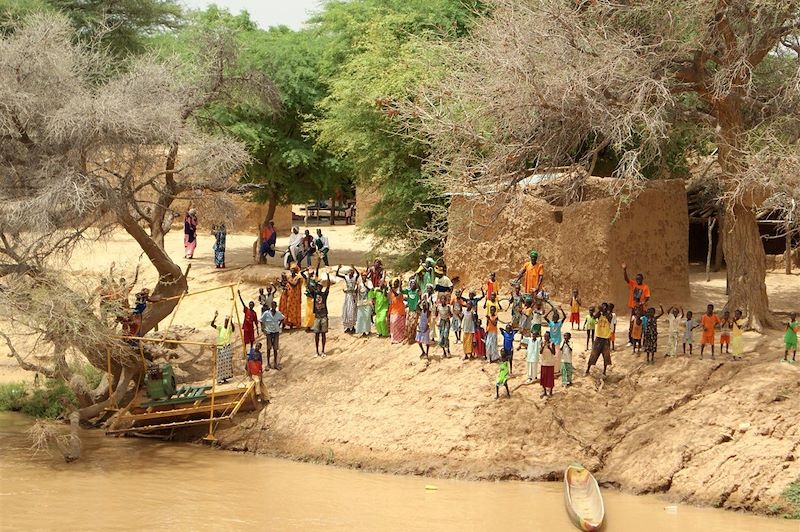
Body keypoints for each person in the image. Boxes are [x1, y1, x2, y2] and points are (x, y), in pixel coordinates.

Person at [622, 263, 650, 344]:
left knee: (640, 324)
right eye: (637, 279)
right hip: (634, 308)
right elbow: (626, 279)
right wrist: (624, 270)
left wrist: (642, 302)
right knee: (632, 324)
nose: (638, 280)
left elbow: (647, 297)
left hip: (641, 309)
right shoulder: (633, 284)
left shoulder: (645, 287)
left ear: (642, 279)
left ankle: (639, 341)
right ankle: (631, 340)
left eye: (639, 279)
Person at [586, 305, 613, 376]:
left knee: (606, 356)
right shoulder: (599, 315)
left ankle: (604, 371)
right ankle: (587, 370)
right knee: (593, 354)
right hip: (598, 337)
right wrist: (599, 311)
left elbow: (609, 318)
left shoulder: (609, 315)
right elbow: (593, 317)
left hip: (606, 338)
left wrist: (603, 311)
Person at [211, 311, 235, 384]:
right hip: (220, 347)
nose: (226, 322)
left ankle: (225, 378)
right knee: (220, 364)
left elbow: (233, 328)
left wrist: (231, 321)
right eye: (225, 321)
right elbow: (212, 324)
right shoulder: (220, 328)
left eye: (227, 321)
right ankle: (219, 379)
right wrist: (215, 317)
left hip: (227, 347)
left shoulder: (229, 329)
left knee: (227, 364)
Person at [310, 274, 331, 357]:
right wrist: (309, 276)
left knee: (323, 334)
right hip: (317, 317)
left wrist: (328, 277)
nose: (318, 288)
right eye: (317, 286)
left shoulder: (324, 294)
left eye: (320, 287)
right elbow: (309, 286)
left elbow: (328, 287)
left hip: (324, 316)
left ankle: (323, 351)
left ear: (321, 288)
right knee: (316, 334)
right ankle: (317, 351)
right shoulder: (314, 294)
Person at [260, 300, 284, 370]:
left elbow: (283, 318)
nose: (273, 307)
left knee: (275, 348)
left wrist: (279, 325)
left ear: (276, 306)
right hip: (269, 333)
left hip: (276, 332)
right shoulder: (266, 313)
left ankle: (275, 364)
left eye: (275, 305)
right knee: (268, 348)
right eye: (272, 305)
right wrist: (263, 328)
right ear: (271, 306)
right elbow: (261, 320)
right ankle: (268, 364)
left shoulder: (278, 313)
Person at [337, 265, 359, 333]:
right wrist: (338, 268)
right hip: (348, 296)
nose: (350, 273)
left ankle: (352, 327)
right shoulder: (346, 277)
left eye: (352, 272)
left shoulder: (355, 277)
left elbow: (358, 274)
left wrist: (354, 268)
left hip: (353, 295)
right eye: (350, 272)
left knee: (352, 311)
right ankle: (347, 327)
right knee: (347, 310)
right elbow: (337, 274)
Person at [355, 270, 373, 337]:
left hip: (368, 302)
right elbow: (357, 291)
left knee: (367, 316)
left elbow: (371, 290)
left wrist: (365, 285)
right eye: (362, 276)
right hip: (361, 302)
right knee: (361, 317)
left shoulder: (369, 282)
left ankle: (368, 330)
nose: (364, 277)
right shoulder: (359, 283)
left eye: (365, 276)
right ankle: (363, 332)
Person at [389, 279, 407, 344]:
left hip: (399, 310)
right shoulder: (391, 291)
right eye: (395, 282)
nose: (395, 283)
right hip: (393, 309)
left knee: (397, 323)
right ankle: (393, 338)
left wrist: (392, 289)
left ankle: (399, 337)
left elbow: (397, 295)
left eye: (397, 282)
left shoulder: (400, 291)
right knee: (392, 324)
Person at [403, 278, 421, 343]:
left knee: (413, 324)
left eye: (414, 283)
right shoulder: (408, 291)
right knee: (408, 325)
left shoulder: (417, 291)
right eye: (411, 283)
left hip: (415, 311)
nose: (412, 284)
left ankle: (413, 338)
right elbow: (400, 291)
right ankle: (409, 338)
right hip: (409, 311)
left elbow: (420, 292)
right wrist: (400, 281)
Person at [540, 331, 556, 397]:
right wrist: (543, 346)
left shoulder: (552, 343)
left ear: (549, 337)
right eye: (545, 336)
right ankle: (544, 392)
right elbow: (540, 352)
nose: (545, 337)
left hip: (550, 363)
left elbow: (554, 353)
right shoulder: (542, 343)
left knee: (550, 378)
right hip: (544, 363)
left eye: (547, 336)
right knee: (543, 377)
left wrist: (549, 347)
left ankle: (551, 391)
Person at [435, 293, 452, 358]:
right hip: (441, 322)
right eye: (441, 299)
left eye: (444, 299)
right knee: (441, 337)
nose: (443, 300)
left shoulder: (448, 307)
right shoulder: (438, 307)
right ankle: (444, 352)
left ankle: (448, 351)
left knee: (445, 336)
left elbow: (451, 315)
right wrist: (437, 321)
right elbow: (436, 314)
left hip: (447, 321)